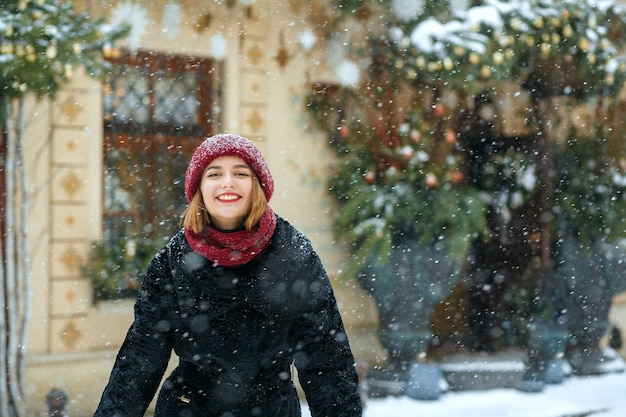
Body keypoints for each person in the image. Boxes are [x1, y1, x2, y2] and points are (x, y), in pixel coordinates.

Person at [93, 133, 363, 417]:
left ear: (258, 185)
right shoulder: (171, 262)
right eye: (214, 173)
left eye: (240, 173)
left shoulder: (294, 254)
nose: (227, 182)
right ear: (199, 187)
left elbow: (327, 362)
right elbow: (139, 359)